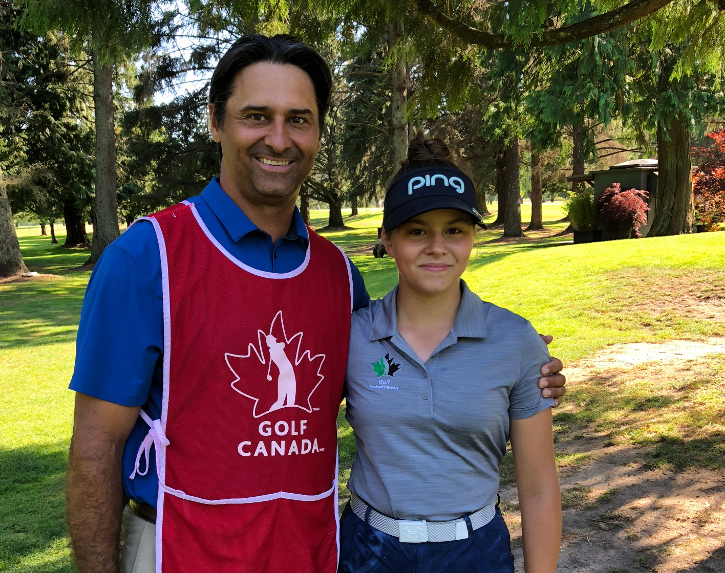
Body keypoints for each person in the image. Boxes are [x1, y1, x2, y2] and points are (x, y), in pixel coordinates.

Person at [66, 35, 567, 573]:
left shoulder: (335, 274)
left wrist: (519, 363)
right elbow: (96, 448)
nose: (278, 139)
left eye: (299, 119)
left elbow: (397, 362)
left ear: (318, 132)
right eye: (257, 116)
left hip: (311, 549)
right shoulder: (146, 257)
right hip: (180, 546)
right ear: (216, 122)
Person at [339, 134, 562, 573]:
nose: (437, 246)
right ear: (387, 237)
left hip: (474, 552)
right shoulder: (351, 335)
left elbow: (538, 489)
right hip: (369, 551)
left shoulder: (515, 341)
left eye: (454, 230)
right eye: (417, 230)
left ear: (473, 236)